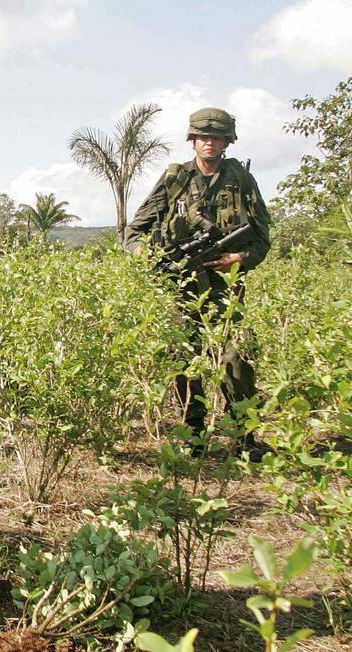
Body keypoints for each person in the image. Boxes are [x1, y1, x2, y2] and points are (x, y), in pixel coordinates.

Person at [124, 107, 272, 458]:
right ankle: (193, 434)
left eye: (217, 137)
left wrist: (239, 259)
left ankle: (244, 438)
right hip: (182, 284)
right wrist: (144, 254)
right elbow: (135, 231)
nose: (210, 143)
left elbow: (262, 236)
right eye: (204, 137)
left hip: (227, 285)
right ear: (193, 140)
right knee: (184, 357)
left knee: (235, 357)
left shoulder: (240, 179)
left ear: (227, 142)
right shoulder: (176, 178)